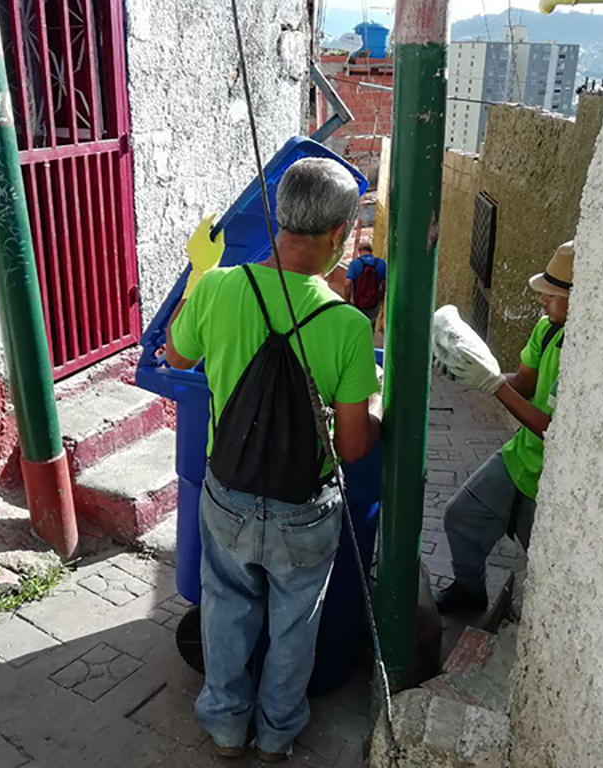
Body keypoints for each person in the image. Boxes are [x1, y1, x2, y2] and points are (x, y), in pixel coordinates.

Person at [165, 158, 382, 761]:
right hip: (304, 511)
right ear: (339, 234)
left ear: (278, 216)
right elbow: (356, 446)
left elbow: (177, 359)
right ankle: (278, 735)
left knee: (226, 613)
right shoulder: (347, 326)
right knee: (294, 627)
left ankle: (228, 730)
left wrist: (198, 273)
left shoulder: (216, 288)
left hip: (226, 496)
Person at [430, 241, 574, 615]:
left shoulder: (586, 352)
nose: (543, 302)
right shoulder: (548, 330)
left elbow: (551, 429)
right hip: (519, 460)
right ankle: (469, 591)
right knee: (461, 514)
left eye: (553, 295)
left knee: (546, 570)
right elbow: (524, 383)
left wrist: (492, 384)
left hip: (552, 482)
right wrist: (472, 374)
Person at [344, 240, 387, 330]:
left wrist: (347, 301)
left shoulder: (355, 264)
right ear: (371, 251)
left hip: (358, 302)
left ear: (359, 251)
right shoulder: (380, 263)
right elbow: (384, 283)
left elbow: (347, 284)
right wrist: (381, 298)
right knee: (371, 325)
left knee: (358, 327)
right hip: (374, 302)